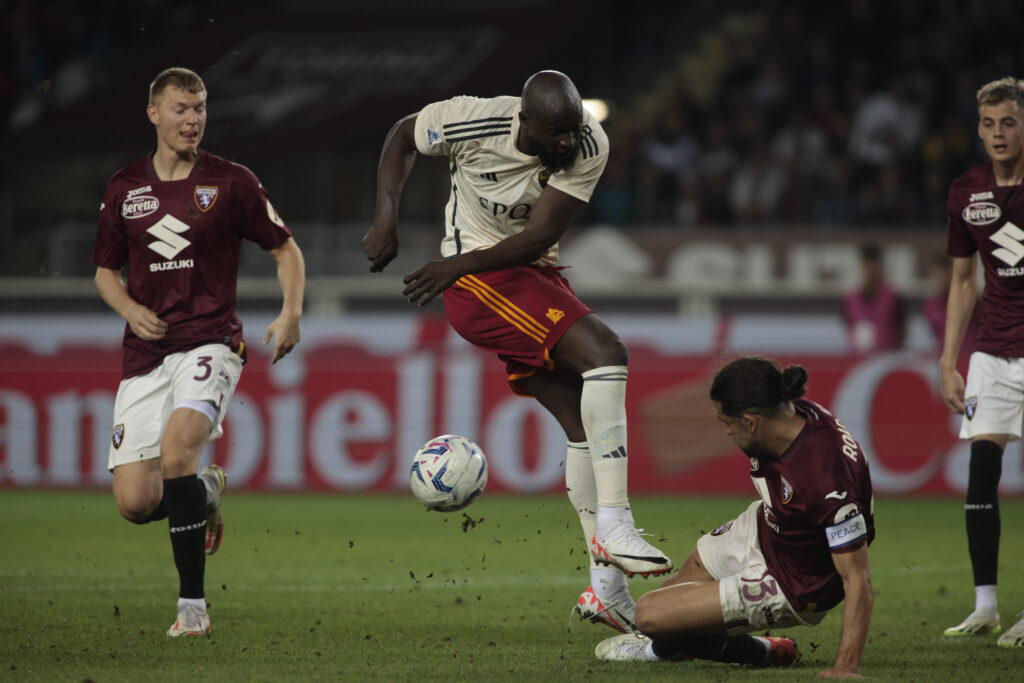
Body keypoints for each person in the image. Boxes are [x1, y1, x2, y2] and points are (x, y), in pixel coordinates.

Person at [361, 70, 672, 631]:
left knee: (582, 419)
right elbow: (402, 136)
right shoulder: (470, 119)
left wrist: (451, 265)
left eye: (572, 130)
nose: (566, 143)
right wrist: (387, 215)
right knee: (607, 351)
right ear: (523, 122)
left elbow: (536, 236)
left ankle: (607, 590)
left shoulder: (587, 143)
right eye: (555, 132)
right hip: (481, 286)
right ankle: (616, 522)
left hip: (518, 272)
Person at [92, 67, 305, 637]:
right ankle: (205, 493)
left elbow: (285, 250)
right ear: (154, 114)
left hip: (210, 342)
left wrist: (290, 312)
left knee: (177, 451)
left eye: (201, 108)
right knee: (136, 503)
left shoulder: (231, 182)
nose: (194, 119)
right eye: (182, 109)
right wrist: (129, 309)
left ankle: (193, 609)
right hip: (145, 354)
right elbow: (105, 272)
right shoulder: (123, 189)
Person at [595, 356, 875, 678]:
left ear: (750, 421)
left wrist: (846, 667)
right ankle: (676, 645)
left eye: (726, 421)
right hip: (770, 528)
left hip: (794, 583)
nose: (726, 431)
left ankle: (757, 651)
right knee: (676, 595)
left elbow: (857, 578)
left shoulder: (826, 479)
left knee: (650, 615)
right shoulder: (790, 413)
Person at [939, 76, 1024, 648]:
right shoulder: (965, 190)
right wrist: (949, 359)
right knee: (981, 476)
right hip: (992, 351)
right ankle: (985, 606)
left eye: (1009, 122)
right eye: (989, 124)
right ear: (978, 129)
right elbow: (963, 278)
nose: (998, 133)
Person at [842, 243, 906, 354]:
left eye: (873, 265)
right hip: (857, 361)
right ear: (861, 265)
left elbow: (901, 329)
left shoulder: (892, 297)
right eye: (866, 265)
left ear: (880, 266)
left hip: (885, 361)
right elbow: (848, 325)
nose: (870, 270)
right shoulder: (850, 298)